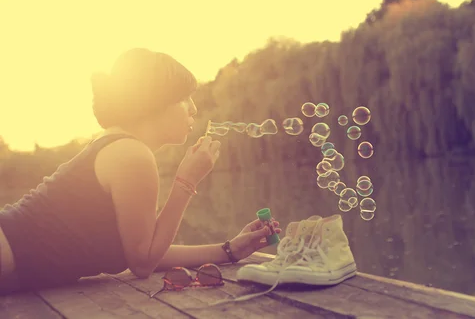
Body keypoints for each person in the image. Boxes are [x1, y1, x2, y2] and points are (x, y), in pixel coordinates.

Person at [0, 48, 281, 294]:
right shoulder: (132, 154)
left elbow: (144, 249)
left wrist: (229, 250)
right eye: (185, 98)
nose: (193, 108)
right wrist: (186, 181)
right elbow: (142, 263)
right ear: (156, 101)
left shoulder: (119, 145)